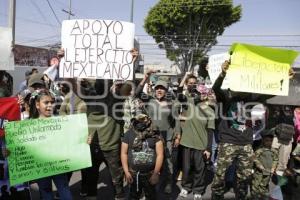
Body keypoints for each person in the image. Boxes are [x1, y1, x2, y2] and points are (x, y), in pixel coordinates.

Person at [211, 61, 256, 200]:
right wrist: (223, 73)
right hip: (228, 142)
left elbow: (271, 93)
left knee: (245, 177)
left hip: (246, 143)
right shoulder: (227, 97)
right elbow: (216, 88)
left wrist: (284, 80)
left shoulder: (252, 98)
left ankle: (241, 196)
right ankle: (216, 197)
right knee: (220, 175)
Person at [28, 89, 72, 200]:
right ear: (37, 105)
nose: (50, 105)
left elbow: (71, 138)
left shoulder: (60, 121)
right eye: (46, 103)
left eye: (51, 102)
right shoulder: (27, 125)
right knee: (46, 192)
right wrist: (9, 152)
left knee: (65, 191)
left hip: (58, 165)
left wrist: (84, 140)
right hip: (40, 167)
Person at [138, 80, 181, 194]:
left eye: (162, 88)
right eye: (157, 88)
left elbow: (176, 120)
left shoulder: (172, 103)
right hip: (151, 136)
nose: (159, 90)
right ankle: (148, 183)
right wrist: (145, 77)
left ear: (166, 90)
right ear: (154, 90)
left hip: (167, 137)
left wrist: (177, 135)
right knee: (149, 160)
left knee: (168, 161)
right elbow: (137, 93)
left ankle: (168, 183)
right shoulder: (150, 100)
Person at [177, 74, 215, 199]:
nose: (203, 95)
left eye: (205, 93)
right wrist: (185, 77)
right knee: (186, 168)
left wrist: (208, 148)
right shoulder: (190, 103)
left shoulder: (210, 110)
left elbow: (210, 131)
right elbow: (179, 93)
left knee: (200, 169)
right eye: (202, 93)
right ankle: (186, 187)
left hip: (201, 144)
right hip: (187, 142)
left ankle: (198, 190)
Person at [121, 113, 164, 200]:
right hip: (133, 174)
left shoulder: (155, 134)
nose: (141, 122)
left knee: (151, 196)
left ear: (148, 120)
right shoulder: (128, 134)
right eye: (138, 120)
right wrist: (126, 172)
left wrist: (156, 173)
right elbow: (123, 153)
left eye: (143, 119)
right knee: (133, 196)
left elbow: (160, 155)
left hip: (150, 174)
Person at [251, 129, 278, 200]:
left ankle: (262, 196)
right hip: (259, 172)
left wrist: (273, 168)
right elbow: (254, 158)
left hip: (268, 172)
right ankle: (255, 197)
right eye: (267, 141)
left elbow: (276, 159)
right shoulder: (259, 150)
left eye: (271, 141)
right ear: (263, 141)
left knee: (264, 185)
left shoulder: (274, 151)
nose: (269, 143)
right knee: (255, 185)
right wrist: (259, 165)